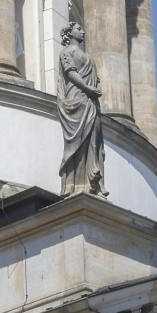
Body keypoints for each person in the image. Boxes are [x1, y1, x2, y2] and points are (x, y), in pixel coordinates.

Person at [58, 23, 105, 196]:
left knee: (92, 142)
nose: (83, 31)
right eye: (79, 29)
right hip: (77, 99)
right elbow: (70, 73)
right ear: (70, 33)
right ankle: (73, 183)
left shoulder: (88, 57)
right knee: (76, 142)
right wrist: (88, 88)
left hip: (90, 102)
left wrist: (92, 90)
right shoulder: (66, 53)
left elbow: (95, 79)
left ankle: (90, 181)